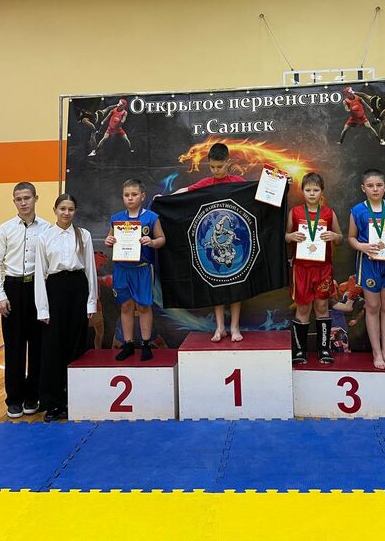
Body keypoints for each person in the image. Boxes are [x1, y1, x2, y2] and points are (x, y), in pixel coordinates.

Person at [0, 182, 52, 418]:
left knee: (37, 346)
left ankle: (32, 396)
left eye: (27, 198)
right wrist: (0, 295)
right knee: (14, 347)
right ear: (14, 201)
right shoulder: (5, 229)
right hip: (13, 289)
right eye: (19, 199)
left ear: (36, 198)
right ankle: (14, 398)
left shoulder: (47, 228)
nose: (23, 202)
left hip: (37, 289)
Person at [35, 193, 98, 422]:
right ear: (55, 210)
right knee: (53, 347)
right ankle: (53, 403)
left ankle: (74, 400)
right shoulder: (44, 237)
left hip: (77, 288)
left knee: (76, 345)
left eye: (70, 209)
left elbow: (90, 269)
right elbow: (40, 274)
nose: (66, 213)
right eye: (62, 208)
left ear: (75, 211)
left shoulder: (84, 235)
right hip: (55, 289)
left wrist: (91, 301)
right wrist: (42, 308)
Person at [176, 142, 246, 342]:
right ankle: (220, 328)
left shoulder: (238, 182)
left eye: (220, 166)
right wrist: (165, 198)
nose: (216, 170)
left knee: (236, 286)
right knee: (216, 285)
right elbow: (187, 190)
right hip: (214, 240)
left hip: (234, 242)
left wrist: (279, 186)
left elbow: (258, 195)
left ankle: (235, 327)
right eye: (212, 167)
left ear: (228, 162)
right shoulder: (206, 183)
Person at [286, 172, 343, 364]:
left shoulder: (328, 213)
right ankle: (299, 351)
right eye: (308, 190)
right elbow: (285, 236)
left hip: (323, 268)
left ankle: (324, 349)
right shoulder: (295, 212)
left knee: (322, 306)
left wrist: (334, 236)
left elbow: (340, 238)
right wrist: (291, 236)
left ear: (322, 191)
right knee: (303, 307)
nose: (312, 193)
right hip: (301, 268)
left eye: (316, 190)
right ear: (302, 191)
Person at [105, 178, 165, 361]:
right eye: (126, 195)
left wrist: (152, 242)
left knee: (144, 306)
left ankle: (146, 344)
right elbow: (110, 239)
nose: (130, 198)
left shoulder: (151, 217)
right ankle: (128, 344)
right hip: (122, 268)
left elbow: (162, 239)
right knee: (126, 305)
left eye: (134, 194)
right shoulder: (117, 219)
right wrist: (109, 241)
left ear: (142, 196)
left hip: (142, 268)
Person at [348, 168, 385, 369]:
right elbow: (351, 238)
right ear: (363, 188)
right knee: (372, 307)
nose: (375, 189)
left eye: (379, 185)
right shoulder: (357, 210)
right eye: (370, 186)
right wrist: (362, 246)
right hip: (369, 263)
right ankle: (376, 353)